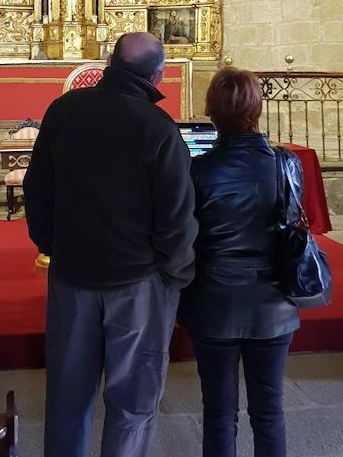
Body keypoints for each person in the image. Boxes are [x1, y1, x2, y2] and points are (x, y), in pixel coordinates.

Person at [23, 32, 197, 457]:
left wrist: (53, 246)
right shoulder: (159, 128)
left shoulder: (63, 111)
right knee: (133, 403)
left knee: (67, 397)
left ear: (108, 64)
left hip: (72, 277)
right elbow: (176, 217)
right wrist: (175, 276)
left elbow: (37, 190)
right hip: (138, 284)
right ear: (158, 75)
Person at [178, 67, 304, 457]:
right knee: (269, 411)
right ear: (257, 109)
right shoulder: (286, 164)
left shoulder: (199, 169)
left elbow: (185, 237)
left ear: (212, 112)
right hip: (273, 302)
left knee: (218, 413)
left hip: (214, 302)